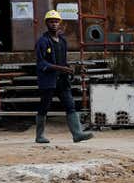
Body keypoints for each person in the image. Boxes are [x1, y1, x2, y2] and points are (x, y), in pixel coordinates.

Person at [33, 10, 93, 144]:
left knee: (70, 105)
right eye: (51, 21)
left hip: (62, 80)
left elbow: (62, 60)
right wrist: (61, 68)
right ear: (46, 23)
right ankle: (39, 136)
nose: (53, 24)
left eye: (56, 21)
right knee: (44, 106)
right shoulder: (42, 42)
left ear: (59, 23)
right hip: (48, 80)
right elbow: (41, 63)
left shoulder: (62, 41)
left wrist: (70, 68)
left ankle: (77, 134)